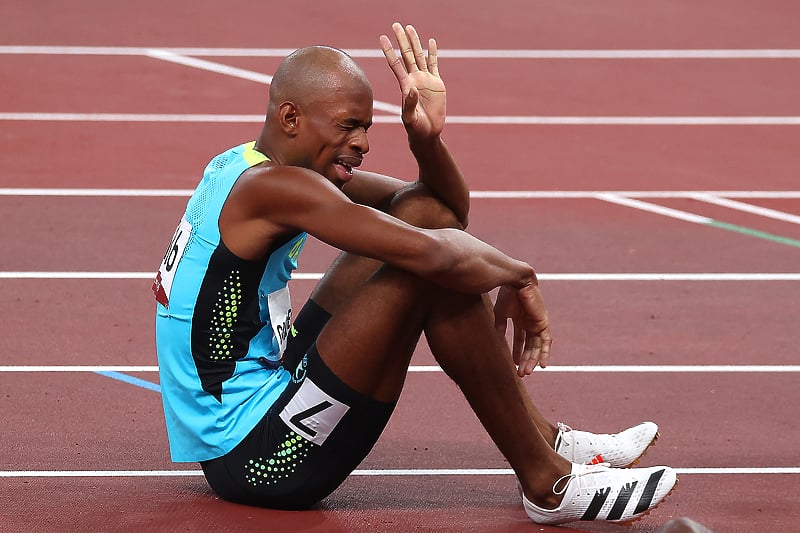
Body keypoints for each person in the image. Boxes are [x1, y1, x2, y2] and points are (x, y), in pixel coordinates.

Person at [153, 22, 677, 525]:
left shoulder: (244, 164)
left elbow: (438, 210)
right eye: (347, 126)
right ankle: (547, 482)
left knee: (421, 230)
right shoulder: (277, 188)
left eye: (366, 127)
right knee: (426, 271)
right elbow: (437, 257)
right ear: (292, 119)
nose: (362, 142)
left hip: (264, 396)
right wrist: (521, 275)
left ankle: (546, 440)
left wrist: (425, 140)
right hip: (259, 460)